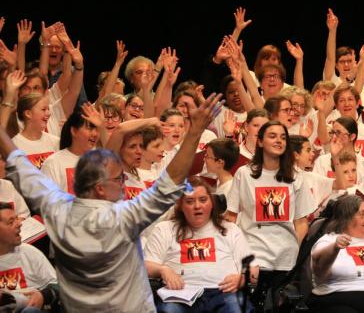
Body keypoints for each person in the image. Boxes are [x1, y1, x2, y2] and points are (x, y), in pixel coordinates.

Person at [0, 93, 221, 312]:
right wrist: (194, 132)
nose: (123, 183)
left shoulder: (56, 209)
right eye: (118, 179)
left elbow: (19, 165)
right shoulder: (124, 218)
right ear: (100, 188)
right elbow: (170, 182)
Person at [225, 120, 316, 311]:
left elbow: (301, 223)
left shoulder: (296, 177)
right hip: (252, 255)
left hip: (286, 257)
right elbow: (231, 217)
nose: (279, 141)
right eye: (272, 136)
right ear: (259, 142)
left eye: (283, 137)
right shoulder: (244, 174)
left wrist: (295, 256)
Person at [144, 176, 256, 313]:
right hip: (179, 294)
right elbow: (147, 265)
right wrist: (163, 270)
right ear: (181, 206)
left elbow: (253, 268)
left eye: (203, 200)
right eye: (190, 201)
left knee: (235, 307)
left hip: (223, 292)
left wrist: (242, 278)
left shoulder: (230, 229)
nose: (197, 206)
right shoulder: (164, 229)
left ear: (212, 203)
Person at [0, 203, 59, 313]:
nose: (19, 224)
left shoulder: (29, 252)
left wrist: (42, 295)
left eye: (17, 219)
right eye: (11, 222)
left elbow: (59, 286)